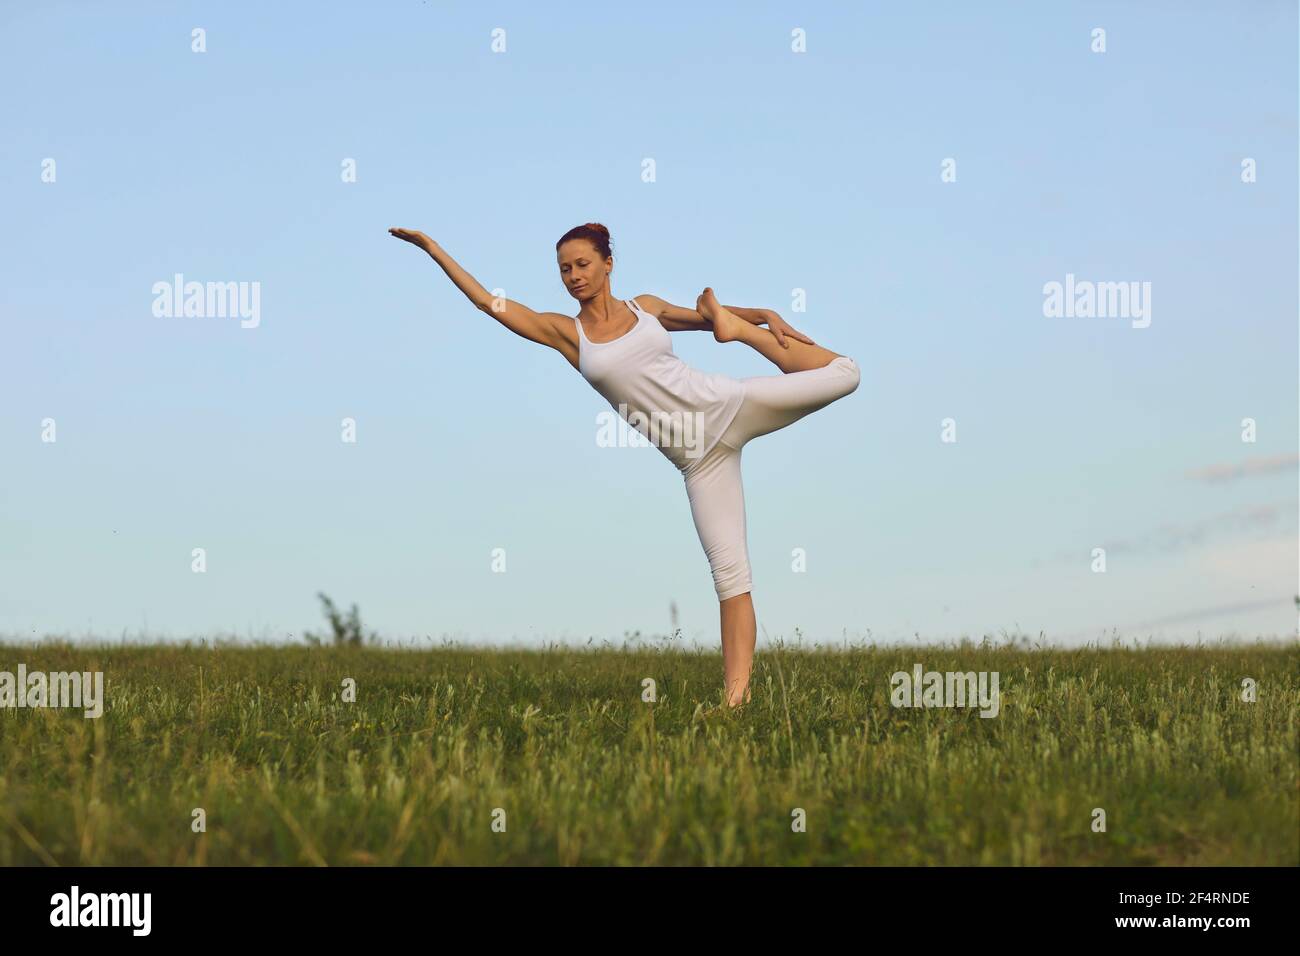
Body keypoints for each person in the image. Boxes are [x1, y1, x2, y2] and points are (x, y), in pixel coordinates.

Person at [389, 222, 860, 708]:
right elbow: (491, 303)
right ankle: (734, 704)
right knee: (731, 578)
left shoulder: (647, 308)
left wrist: (754, 317)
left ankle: (742, 336)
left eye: (582, 264)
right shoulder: (568, 334)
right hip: (697, 462)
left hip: (725, 406)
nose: (573, 276)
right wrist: (432, 247)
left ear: (607, 264)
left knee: (845, 374)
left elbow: (705, 317)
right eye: (565, 269)